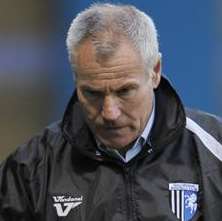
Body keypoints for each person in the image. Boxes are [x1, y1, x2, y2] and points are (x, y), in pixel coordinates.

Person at [0, 3, 222, 221]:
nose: (109, 113)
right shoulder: (30, 170)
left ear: (155, 72)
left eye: (125, 91)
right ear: (76, 80)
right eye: (92, 93)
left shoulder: (214, 151)